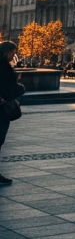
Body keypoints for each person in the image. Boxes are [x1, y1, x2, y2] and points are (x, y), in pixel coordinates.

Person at [1, 41, 25, 186]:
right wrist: (20, 86)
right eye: (13, 53)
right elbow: (11, 89)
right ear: (7, 52)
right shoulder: (4, 67)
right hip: (2, 109)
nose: (14, 56)